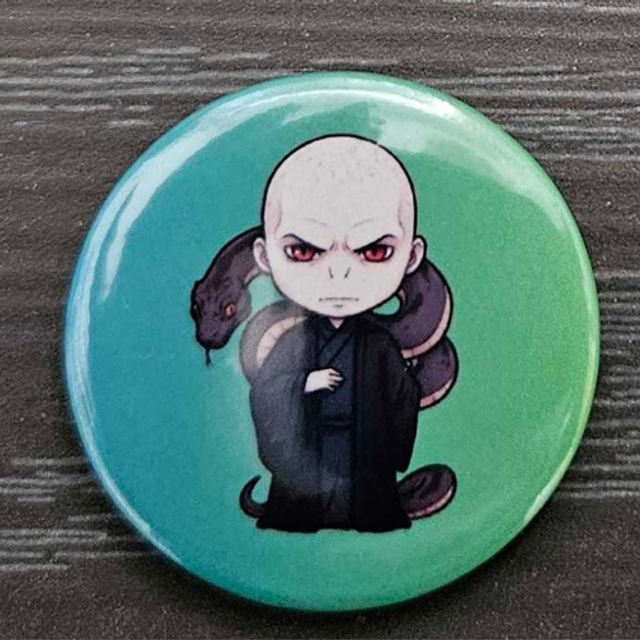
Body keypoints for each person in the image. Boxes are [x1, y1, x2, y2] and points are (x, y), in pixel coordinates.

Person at [247, 135, 426, 533]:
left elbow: (401, 396)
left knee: (366, 501)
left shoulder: (380, 345)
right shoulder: (292, 342)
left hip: (364, 450)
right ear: (264, 256)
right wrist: (302, 383)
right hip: (308, 448)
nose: (339, 273)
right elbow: (265, 392)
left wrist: (409, 384)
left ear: (411, 257)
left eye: (374, 251)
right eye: (303, 251)